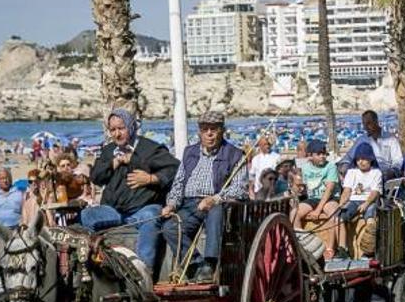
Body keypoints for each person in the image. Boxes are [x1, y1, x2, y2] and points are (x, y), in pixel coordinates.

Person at [82, 108, 180, 270]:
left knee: (151, 218)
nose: (117, 134)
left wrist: (150, 178)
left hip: (142, 210)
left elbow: (175, 169)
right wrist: (113, 163)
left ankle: (143, 271)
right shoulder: (108, 151)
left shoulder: (150, 149)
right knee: (87, 216)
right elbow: (96, 177)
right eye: (112, 130)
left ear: (131, 127)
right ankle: (91, 266)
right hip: (113, 211)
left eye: (121, 128)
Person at [161, 111, 248, 282]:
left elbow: (240, 189)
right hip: (189, 205)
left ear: (222, 131)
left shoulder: (235, 154)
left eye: (213, 129)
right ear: (199, 132)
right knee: (169, 227)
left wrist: (214, 199)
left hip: (218, 204)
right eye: (205, 129)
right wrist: (171, 204)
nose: (209, 133)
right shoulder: (189, 153)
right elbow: (178, 184)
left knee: (215, 213)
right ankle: (196, 265)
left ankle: (210, 263)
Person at [291, 140, 341, 257]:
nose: (322, 156)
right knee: (294, 213)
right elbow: (302, 186)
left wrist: (318, 210)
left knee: (333, 213)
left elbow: (329, 190)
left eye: (324, 153)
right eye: (318, 154)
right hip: (313, 198)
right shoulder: (305, 167)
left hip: (330, 198)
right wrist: (297, 187)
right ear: (311, 155)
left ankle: (330, 248)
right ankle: (301, 244)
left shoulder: (330, 167)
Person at [336, 142, 382, 253]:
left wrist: (366, 204)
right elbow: (347, 190)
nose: (360, 162)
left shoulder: (376, 172)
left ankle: (368, 250)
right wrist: (341, 203)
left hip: (369, 201)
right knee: (341, 218)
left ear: (370, 159)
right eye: (358, 159)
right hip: (353, 200)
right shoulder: (352, 172)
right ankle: (342, 248)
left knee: (370, 218)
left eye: (363, 159)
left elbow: (375, 192)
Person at [343, 110, 403, 179]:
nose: (366, 127)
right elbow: (348, 157)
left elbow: (397, 159)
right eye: (364, 124)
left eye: (368, 123)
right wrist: (344, 166)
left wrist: (392, 171)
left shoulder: (391, 139)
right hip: (364, 176)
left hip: (384, 175)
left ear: (376, 121)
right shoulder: (361, 139)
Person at [248, 135, 281, 200]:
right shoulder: (255, 158)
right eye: (265, 144)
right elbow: (252, 176)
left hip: (272, 191)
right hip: (258, 192)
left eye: (268, 144)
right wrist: (250, 189)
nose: (268, 146)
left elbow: (279, 174)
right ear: (260, 146)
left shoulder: (276, 157)